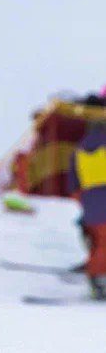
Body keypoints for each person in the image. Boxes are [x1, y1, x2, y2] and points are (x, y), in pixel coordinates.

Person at [69, 121, 106, 300]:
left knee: (97, 242)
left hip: (90, 203)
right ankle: (97, 277)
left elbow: (73, 184)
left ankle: (95, 274)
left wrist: (85, 201)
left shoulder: (78, 151)